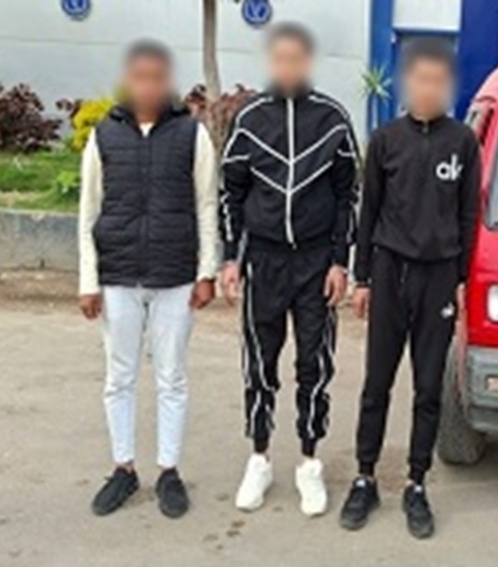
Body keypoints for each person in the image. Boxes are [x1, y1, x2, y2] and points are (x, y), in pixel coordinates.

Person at [339, 38, 481, 539]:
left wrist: (461, 279)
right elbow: (369, 212)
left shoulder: (463, 142)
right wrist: (362, 278)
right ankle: (365, 477)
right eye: (422, 79)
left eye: (439, 81)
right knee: (376, 383)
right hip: (389, 272)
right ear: (407, 83)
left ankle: (416, 483)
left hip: (439, 277)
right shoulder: (385, 141)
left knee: (428, 388)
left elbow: (469, 215)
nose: (429, 88)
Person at [219, 22, 359, 517]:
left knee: (314, 365)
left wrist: (341, 261)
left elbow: (348, 195)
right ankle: (259, 457)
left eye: (297, 59)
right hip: (264, 260)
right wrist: (231, 257)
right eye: (281, 59)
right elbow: (231, 191)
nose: (288, 68)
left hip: (316, 261)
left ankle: (308, 462)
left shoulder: (333, 121)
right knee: (260, 362)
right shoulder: (250, 120)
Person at [78, 40, 218, 519]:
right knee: (119, 377)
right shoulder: (104, 135)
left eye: (158, 77)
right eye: (140, 77)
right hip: (117, 276)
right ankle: (123, 468)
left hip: (175, 276)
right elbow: (88, 211)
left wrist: (206, 271)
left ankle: (168, 471)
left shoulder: (192, 134)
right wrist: (88, 280)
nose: (149, 86)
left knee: (171, 376)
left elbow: (206, 205)